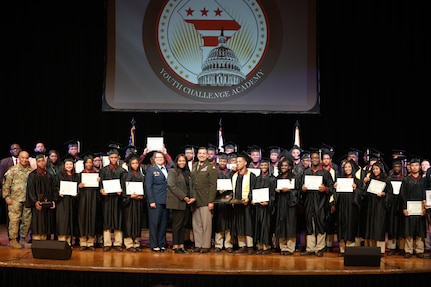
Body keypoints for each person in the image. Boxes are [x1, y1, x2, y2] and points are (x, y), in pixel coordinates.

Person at [300, 150, 334, 257]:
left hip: (321, 201)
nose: (314, 159)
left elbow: (332, 188)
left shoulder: (325, 173)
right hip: (308, 201)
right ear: (310, 160)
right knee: (309, 223)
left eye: (316, 158)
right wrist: (303, 189)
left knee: (320, 223)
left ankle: (319, 248)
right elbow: (299, 188)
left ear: (319, 160)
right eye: (313, 158)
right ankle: (310, 248)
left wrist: (326, 189)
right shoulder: (306, 173)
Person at [2, 150, 33, 249]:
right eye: (22, 157)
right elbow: (6, 185)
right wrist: (7, 197)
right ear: (19, 158)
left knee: (26, 220)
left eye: (26, 158)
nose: (25, 160)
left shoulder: (31, 171)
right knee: (14, 221)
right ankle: (13, 240)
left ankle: (22, 239)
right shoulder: (12, 170)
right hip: (14, 200)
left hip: (27, 200)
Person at [190, 146, 218, 253]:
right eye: (199, 153)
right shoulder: (194, 166)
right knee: (196, 224)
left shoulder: (211, 167)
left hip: (206, 200)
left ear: (207, 155)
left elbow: (213, 186)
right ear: (197, 155)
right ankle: (198, 244)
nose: (201, 155)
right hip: (195, 200)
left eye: (203, 153)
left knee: (206, 224)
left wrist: (211, 201)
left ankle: (205, 245)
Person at [332, 159, 363, 256]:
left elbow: (362, 194)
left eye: (349, 167)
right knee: (341, 226)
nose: (347, 169)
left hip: (352, 207)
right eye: (346, 167)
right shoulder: (340, 180)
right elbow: (335, 195)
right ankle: (342, 249)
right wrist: (335, 188)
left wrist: (356, 189)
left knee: (350, 226)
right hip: (341, 207)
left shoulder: (357, 181)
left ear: (352, 168)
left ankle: (350, 249)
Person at [99, 147, 127, 252]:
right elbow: (100, 184)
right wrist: (101, 190)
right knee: (106, 220)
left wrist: (122, 191)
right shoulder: (103, 170)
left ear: (118, 158)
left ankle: (118, 243)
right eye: (112, 157)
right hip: (106, 200)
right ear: (109, 158)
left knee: (118, 220)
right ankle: (107, 243)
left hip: (117, 200)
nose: (114, 159)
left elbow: (125, 185)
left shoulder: (122, 171)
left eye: (115, 157)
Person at [363, 161, 394, 256]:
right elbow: (364, 194)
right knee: (371, 227)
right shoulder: (370, 179)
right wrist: (364, 183)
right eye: (374, 169)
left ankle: (380, 250)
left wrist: (383, 194)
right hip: (371, 206)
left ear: (381, 169)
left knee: (379, 228)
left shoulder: (386, 180)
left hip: (381, 207)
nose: (375, 171)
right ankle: (371, 249)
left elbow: (390, 194)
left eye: (377, 169)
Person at [167, 153, 195, 253]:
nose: (182, 162)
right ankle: (175, 245)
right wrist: (184, 197)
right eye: (180, 161)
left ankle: (181, 245)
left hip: (188, 203)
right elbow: (171, 185)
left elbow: (192, 186)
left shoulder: (188, 172)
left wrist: (192, 198)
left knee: (184, 225)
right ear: (176, 162)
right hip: (178, 201)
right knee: (177, 225)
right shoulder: (172, 171)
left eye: (184, 161)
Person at [399, 157, 427, 258]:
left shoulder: (424, 180)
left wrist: (425, 208)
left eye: (416, 165)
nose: (414, 167)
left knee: (420, 229)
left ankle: (419, 250)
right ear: (409, 167)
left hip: (420, 209)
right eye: (412, 165)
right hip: (409, 209)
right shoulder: (406, 180)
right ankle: (408, 250)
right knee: (408, 229)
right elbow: (403, 195)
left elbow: (426, 194)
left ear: (419, 167)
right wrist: (404, 208)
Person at [230, 151, 257, 254]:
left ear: (245, 163)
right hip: (237, 204)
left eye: (240, 162)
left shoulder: (251, 175)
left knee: (248, 224)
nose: (237, 163)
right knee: (239, 224)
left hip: (247, 205)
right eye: (237, 162)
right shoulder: (234, 175)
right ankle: (242, 246)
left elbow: (253, 189)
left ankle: (250, 246)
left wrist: (249, 198)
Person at [25, 152, 55, 241]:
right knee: (37, 222)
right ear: (36, 163)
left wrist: (52, 200)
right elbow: (30, 190)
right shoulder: (32, 175)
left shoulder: (49, 175)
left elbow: (52, 189)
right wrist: (35, 201)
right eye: (39, 161)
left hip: (47, 204)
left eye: (43, 161)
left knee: (46, 222)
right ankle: (37, 241)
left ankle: (45, 240)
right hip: (37, 204)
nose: (41, 163)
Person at [274, 157, 300, 256]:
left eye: (286, 166)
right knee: (281, 224)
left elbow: (298, 192)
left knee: (290, 225)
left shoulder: (294, 178)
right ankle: (283, 247)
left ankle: (290, 248)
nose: (284, 167)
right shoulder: (278, 178)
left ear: (289, 167)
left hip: (290, 204)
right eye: (282, 166)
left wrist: (289, 190)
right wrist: (276, 191)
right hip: (281, 204)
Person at [145, 151, 170, 252]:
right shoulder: (151, 170)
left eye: (162, 157)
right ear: (154, 159)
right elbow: (148, 186)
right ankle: (154, 244)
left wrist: (166, 153)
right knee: (155, 223)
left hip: (166, 200)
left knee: (164, 224)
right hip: (155, 200)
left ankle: (161, 243)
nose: (160, 159)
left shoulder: (167, 169)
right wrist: (151, 200)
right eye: (157, 157)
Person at [53, 156, 80, 247]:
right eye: (67, 164)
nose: (69, 166)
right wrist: (58, 193)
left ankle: (68, 242)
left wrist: (76, 194)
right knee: (62, 221)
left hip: (72, 202)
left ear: (73, 165)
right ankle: (61, 242)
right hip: (62, 202)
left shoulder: (76, 176)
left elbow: (78, 189)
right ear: (64, 165)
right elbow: (54, 187)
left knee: (70, 221)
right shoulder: (59, 175)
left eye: (71, 164)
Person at [121, 153, 146, 252]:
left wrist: (142, 196)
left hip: (138, 203)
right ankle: (129, 243)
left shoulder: (141, 176)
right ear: (130, 165)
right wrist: (129, 196)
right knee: (129, 223)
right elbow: (123, 189)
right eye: (133, 163)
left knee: (137, 222)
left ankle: (136, 242)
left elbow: (144, 189)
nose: (135, 165)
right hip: (129, 203)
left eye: (136, 163)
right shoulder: (125, 175)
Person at [77, 153, 100, 251]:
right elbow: (75, 189)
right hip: (82, 200)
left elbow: (100, 190)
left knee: (92, 219)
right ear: (84, 164)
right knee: (82, 220)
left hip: (93, 199)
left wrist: (99, 182)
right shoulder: (80, 175)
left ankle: (90, 242)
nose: (89, 164)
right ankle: (82, 242)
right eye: (87, 163)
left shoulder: (96, 174)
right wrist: (79, 186)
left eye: (91, 162)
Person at [213, 152, 234, 253]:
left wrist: (230, 194)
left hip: (228, 201)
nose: (222, 162)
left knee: (228, 222)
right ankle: (218, 244)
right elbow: (212, 185)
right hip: (218, 201)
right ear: (218, 161)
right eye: (221, 160)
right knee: (219, 222)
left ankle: (228, 244)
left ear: (227, 162)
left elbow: (234, 185)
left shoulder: (231, 173)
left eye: (224, 161)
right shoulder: (215, 172)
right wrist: (218, 191)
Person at [387, 158, 405, 256]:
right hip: (392, 204)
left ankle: (401, 247)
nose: (397, 168)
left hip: (401, 203)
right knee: (392, 225)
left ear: (401, 167)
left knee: (401, 226)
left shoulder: (404, 178)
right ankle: (392, 247)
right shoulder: (389, 178)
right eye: (395, 166)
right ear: (393, 168)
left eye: (398, 166)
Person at [0, 143, 22, 225]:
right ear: (10, 151)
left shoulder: (24, 161)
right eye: (13, 149)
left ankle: (21, 236)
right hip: (10, 193)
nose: (15, 150)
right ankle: (12, 236)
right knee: (11, 217)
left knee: (22, 217)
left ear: (20, 150)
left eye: (17, 148)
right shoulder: (5, 161)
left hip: (22, 193)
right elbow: (1, 177)